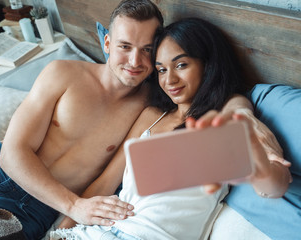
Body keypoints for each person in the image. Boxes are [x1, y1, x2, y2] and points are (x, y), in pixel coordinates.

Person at [0, 1, 286, 239]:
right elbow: (11, 154)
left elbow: (219, 99)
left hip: (42, 206)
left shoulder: (155, 100)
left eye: (149, 51)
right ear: (106, 42)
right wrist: (73, 210)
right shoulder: (66, 73)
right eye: (124, 46)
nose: (136, 61)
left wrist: (242, 112)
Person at [50, 17, 291, 240]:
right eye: (162, 69)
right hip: (100, 231)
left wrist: (260, 161)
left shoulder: (225, 118)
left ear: (207, 64)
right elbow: (105, 184)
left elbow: (273, 187)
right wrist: (59, 232)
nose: (169, 80)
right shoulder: (151, 116)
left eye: (181, 65)